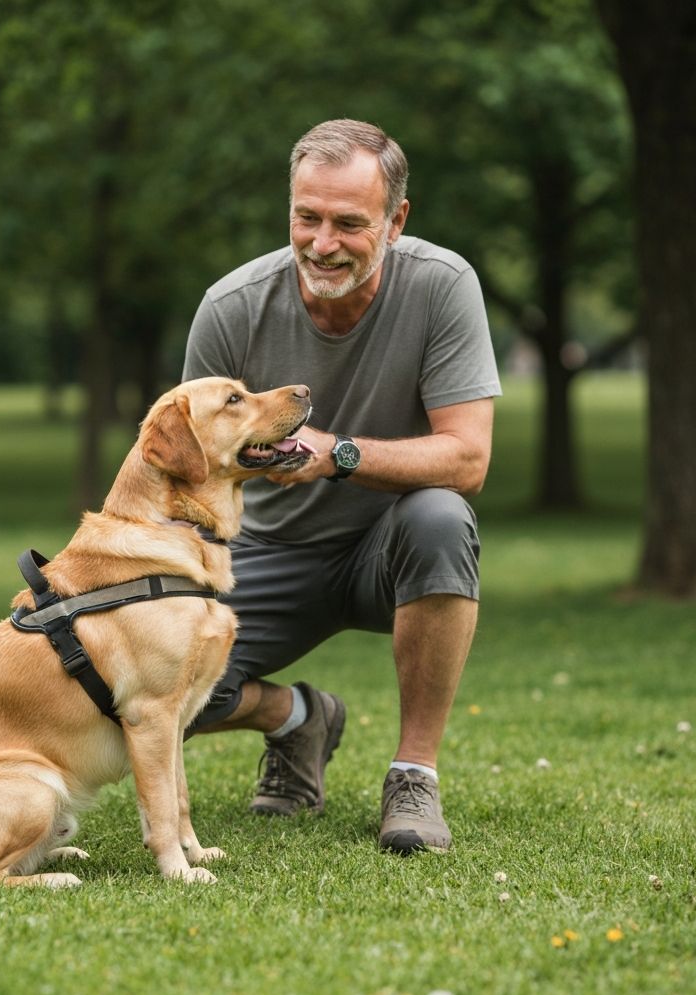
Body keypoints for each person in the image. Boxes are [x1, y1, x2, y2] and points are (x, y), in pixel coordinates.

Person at [181, 119, 501, 853]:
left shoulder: (442, 286)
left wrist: (338, 454)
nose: (322, 243)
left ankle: (413, 775)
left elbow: (467, 459)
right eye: (307, 217)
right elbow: (189, 473)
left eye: (349, 224)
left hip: (389, 553)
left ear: (396, 221)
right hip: (267, 549)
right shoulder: (232, 307)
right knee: (139, 687)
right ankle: (298, 720)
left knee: (441, 516)